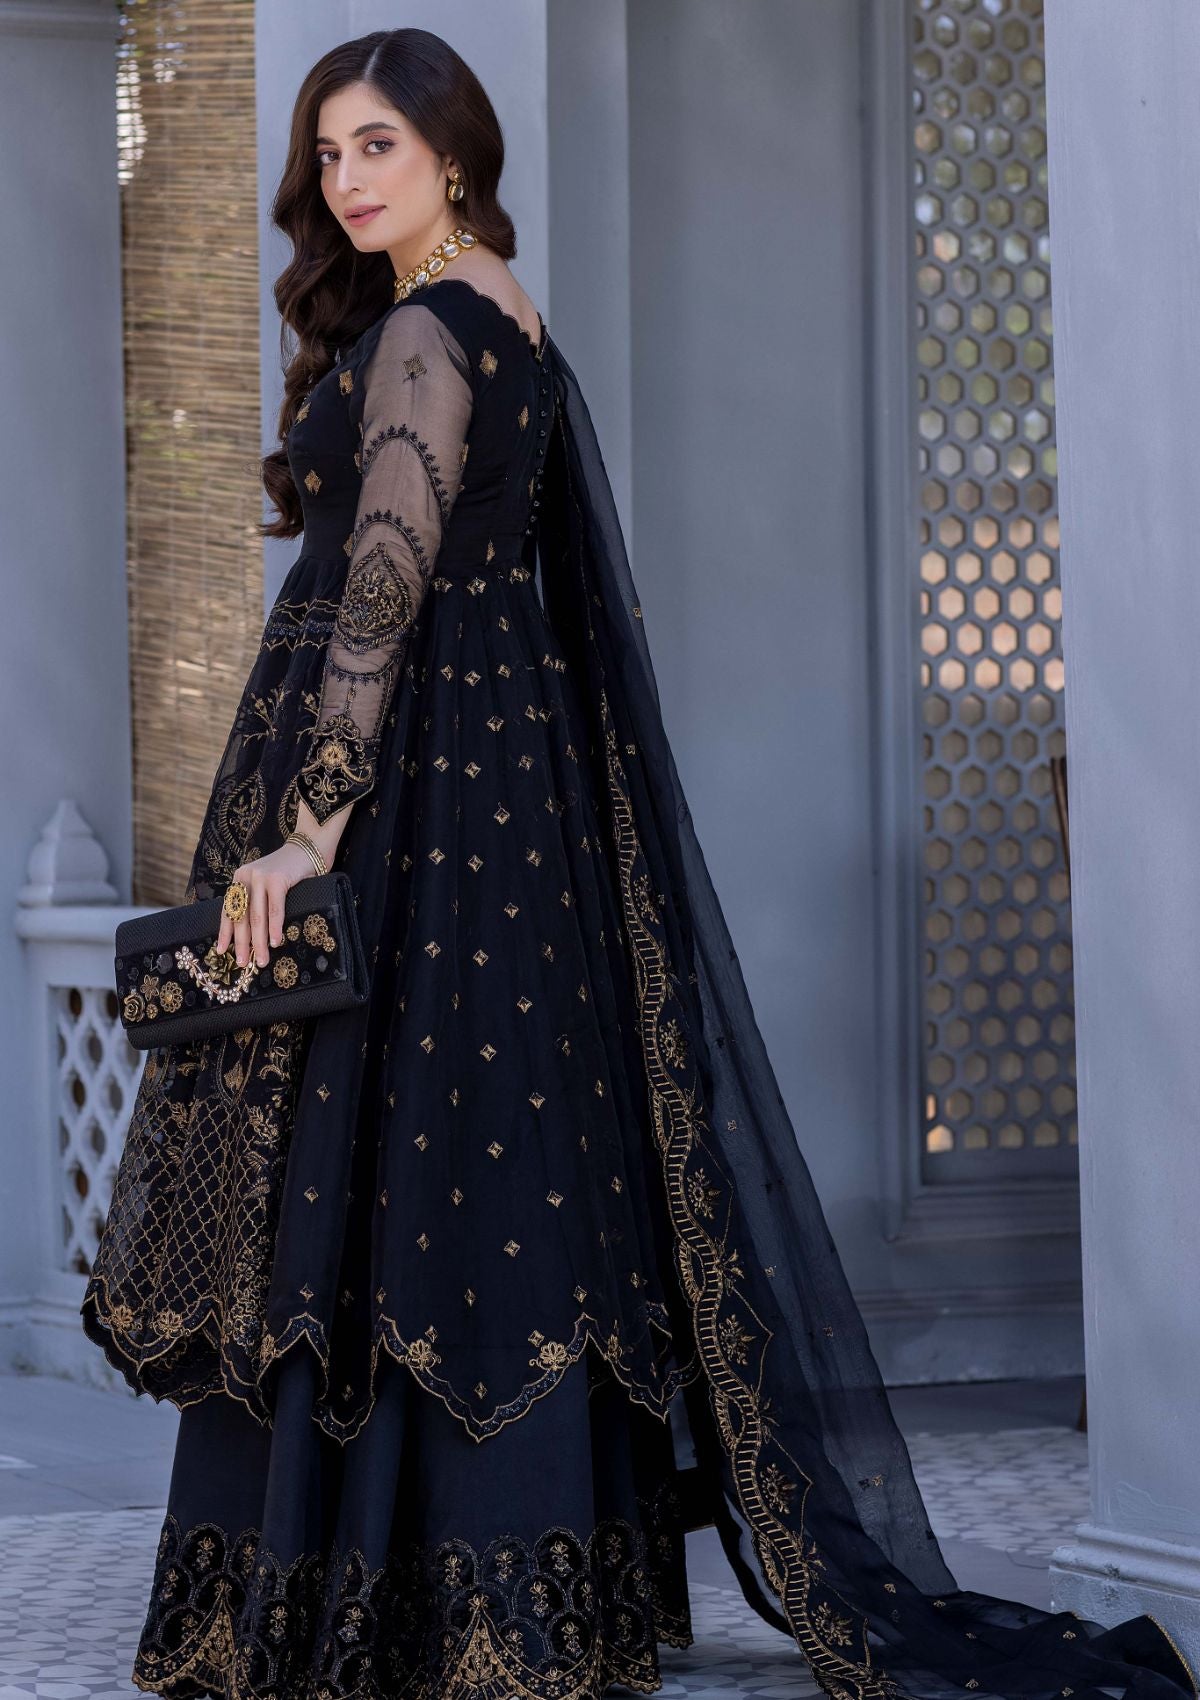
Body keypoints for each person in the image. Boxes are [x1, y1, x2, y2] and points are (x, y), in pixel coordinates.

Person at [80, 26, 1197, 1700]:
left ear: (456, 155)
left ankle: (373, 1598)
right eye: (329, 154)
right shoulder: (510, 319)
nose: (347, 180)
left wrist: (309, 828)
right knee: (482, 1155)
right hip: (502, 800)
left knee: (375, 1155)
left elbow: (383, 583)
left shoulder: (424, 335)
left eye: (379, 146)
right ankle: (534, 1597)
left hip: (403, 801)